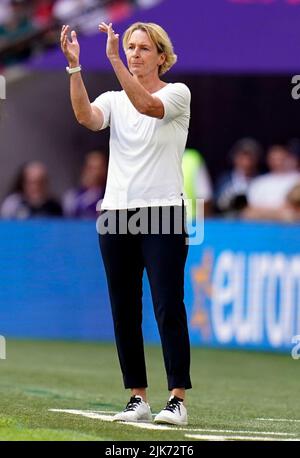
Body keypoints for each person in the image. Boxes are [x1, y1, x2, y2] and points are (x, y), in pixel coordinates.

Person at [61, 20, 192, 425]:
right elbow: (86, 116)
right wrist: (74, 69)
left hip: (164, 213)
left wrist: (113, 58)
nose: (135, 53)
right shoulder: (115, 100)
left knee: (168, 305)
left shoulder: (177, 94)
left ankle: (177, 400)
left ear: (161, 57)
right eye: (130, 47)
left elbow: (147, 107)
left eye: (143, 49)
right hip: (116, 214)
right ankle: (138, 397)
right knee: (124, 309)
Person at [245, 144, 300, 219]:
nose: (278, 162)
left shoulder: (297, 178)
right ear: (268, 160)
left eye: (281, 159)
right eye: (274, 159)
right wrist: (276, 213)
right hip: (262, 222)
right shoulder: (259, 182)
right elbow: (250, 209)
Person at [214, 138, 262, 217]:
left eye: (250, 158)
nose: (246, 162)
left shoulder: (262, 181)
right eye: (242, 157)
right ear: (234, 158)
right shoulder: (225, 180)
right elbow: (218, 204)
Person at [63, 149, 107, 219]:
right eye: (91, 168)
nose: (95, 173)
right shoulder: (73, 196)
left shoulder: (108, 197)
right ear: (84, 169)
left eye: (98, 168)